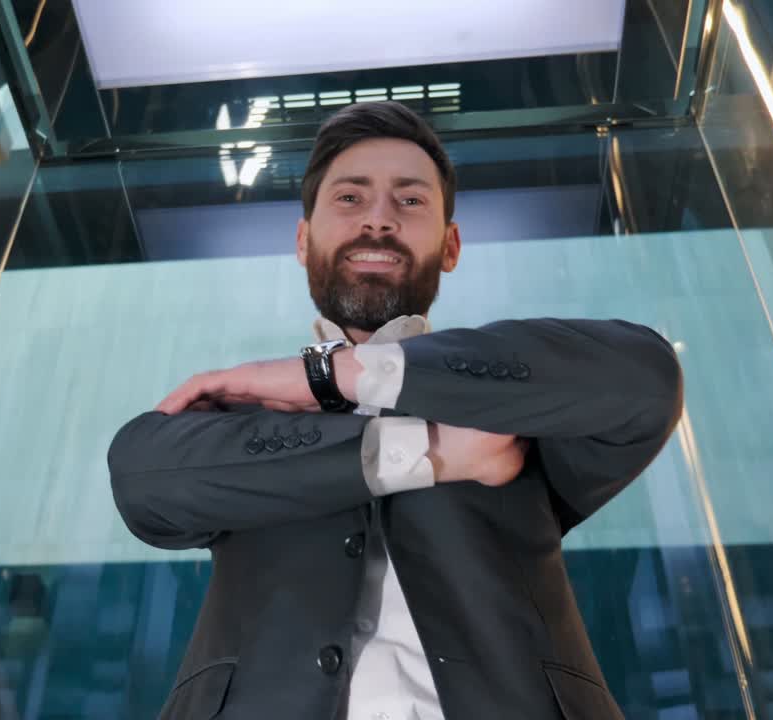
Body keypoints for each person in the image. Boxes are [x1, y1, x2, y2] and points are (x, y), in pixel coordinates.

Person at [108, 101, 683, 720]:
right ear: (303, 240)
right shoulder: (245, 410)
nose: (378, 218)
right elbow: (142, 480)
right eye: (349, 198)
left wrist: (331, 375)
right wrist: (430, 453)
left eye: (410, 200)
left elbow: (646, 379)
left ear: (450, 245)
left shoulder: (521, 402)